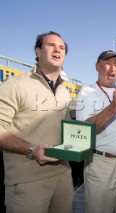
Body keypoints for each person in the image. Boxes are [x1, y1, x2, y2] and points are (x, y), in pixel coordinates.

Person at [0, 31, 74, 212]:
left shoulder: (64, 91)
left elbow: (68, 131)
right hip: (27, 180)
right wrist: (32, 149)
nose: (58, 50)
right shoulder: (15, 84)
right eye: (51, 45)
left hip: (63, 175)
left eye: (62, 47)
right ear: (38, 52)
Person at [76, 50, 116, 213]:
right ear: (97, 66)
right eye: (108, 63)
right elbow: (85, 130)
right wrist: (114, 106)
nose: (113, 68)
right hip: (101, 165)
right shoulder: (86, 94)